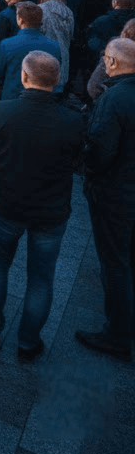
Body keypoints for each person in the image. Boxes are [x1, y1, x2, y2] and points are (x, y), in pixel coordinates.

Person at [0, 51, 82, 361]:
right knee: (41, 278)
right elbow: (79, 162)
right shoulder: (73, 121)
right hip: (51, 212)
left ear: (24, 77)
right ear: (57, 80)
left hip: (7, 204)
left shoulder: (1, 111)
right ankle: (28, 342)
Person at [75, 38, 135, 360]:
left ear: (111, 63)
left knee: (114, 262)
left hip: (116, 195)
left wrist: (87, 171)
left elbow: (99, 153)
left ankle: (118, 334)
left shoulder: (113, 99)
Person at [0, 2, 61, 100]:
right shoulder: (54, 45)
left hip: (13, 96)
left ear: (20, 20)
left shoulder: (6, 44)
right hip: (45, 99)